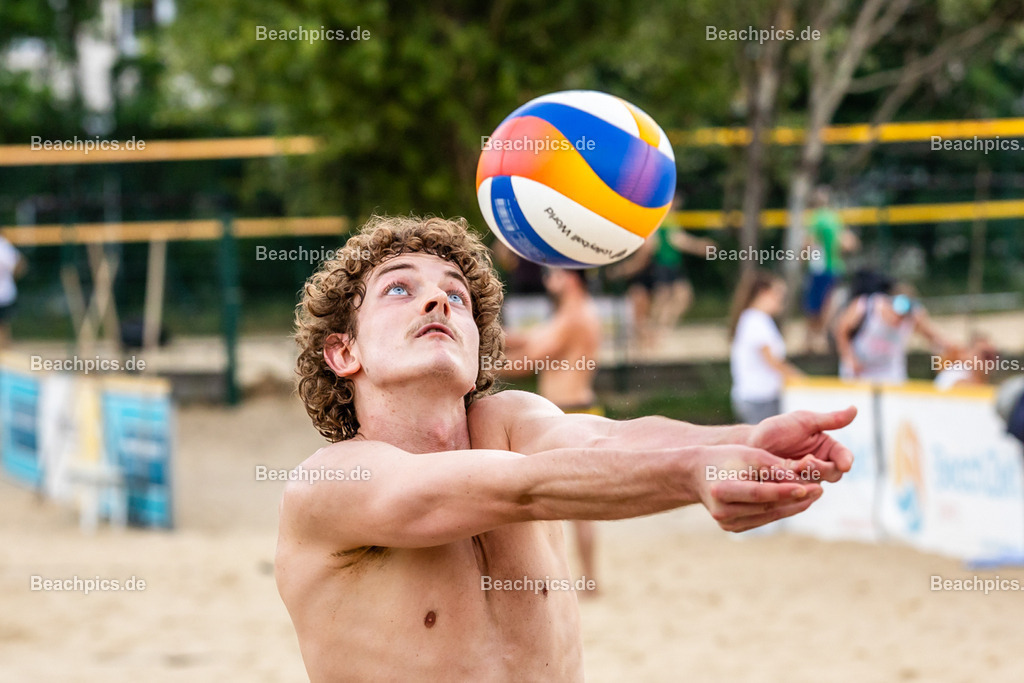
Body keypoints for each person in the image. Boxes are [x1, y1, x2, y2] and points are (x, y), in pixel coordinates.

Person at [277, 215, 857, 681]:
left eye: (457, 296)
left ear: (480, 349)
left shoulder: (507, 418)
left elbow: (609, 436)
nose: (438, 303)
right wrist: (692, 472)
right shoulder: (331, 481)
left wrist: (740, 440)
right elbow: (522, 486)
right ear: (343, 353)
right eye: (400, 288)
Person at [503, 267, 603, 593]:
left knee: (573, 506)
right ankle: (588, 580)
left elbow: (529, 358)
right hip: (570, 412)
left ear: (571, 278)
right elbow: (530, 339)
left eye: (553, 273)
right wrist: (486, 335)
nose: (547, 278)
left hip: (569, 414)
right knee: (575, 506)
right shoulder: (574, 312)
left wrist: (472, 364)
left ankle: (587, 581)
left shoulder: (574, 316)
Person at [834, 285, 953, 384]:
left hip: (890, 373)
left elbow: (935, 337)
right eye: (896, 314)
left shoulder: (913, 317)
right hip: (859, 372)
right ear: (888, 303)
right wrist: (849, 357)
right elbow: (840, 330)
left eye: (903, 318)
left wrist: (957, 350)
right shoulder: (865, 307)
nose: (898, 321)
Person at [729, 270, 804, 424]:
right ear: (764, 293)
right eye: (778, 294)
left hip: (755, 397)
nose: (781, 300)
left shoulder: (752, 319)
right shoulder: (756, 321)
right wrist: (801, 379)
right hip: (760, 399)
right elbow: (772, 360)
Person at [803, 186, 858, 353]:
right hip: (835, 266)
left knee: (815, 305)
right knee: (829, 303)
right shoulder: (835, 218)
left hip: (819, 268)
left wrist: (802, 257)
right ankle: (822, 339)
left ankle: (814, 341)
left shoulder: (815, 218)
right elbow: (850, 243)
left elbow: (808, 243)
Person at [0, 230, 25, 347]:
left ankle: (4, 351)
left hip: (4, 293)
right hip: (6, 292)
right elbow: (20, 264)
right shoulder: (5, 246)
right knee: (4, 326)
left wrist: (10, 278)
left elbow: (20, 265)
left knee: (3, 326)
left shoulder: (3, 247)